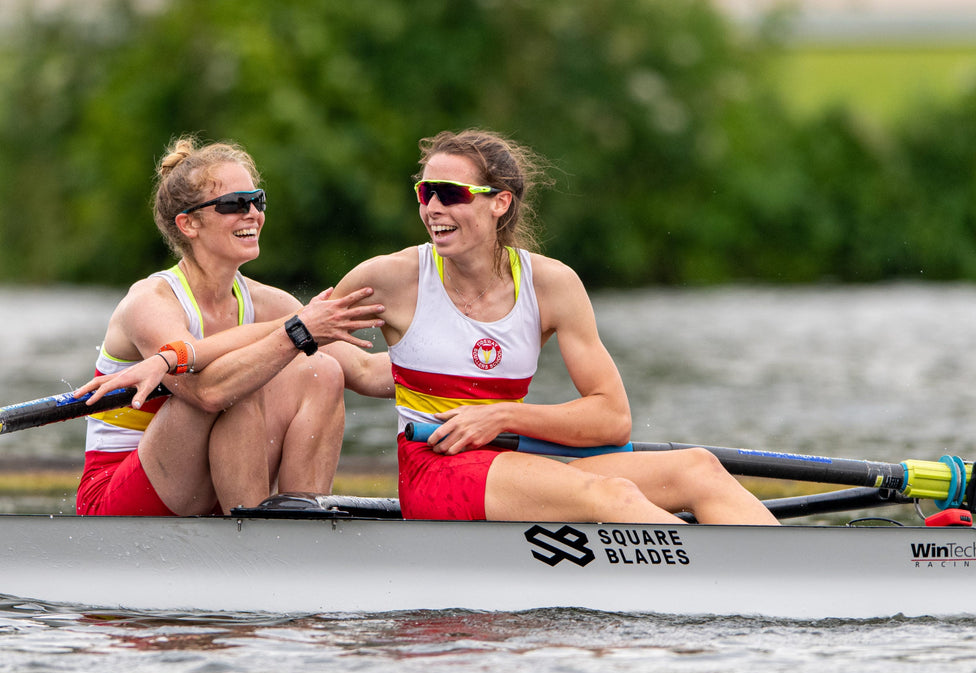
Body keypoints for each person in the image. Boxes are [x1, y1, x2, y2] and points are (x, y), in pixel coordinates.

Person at [330, 129, 779, 524]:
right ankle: (723, 581)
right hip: (436, 465)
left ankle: (800, 579)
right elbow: (306, 337)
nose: (432, 208)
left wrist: (503, 415)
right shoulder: (390, 278)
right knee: (615, 493)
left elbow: (613, 419)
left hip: (514, 458)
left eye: (451, 194)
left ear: (499, 203)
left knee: (697, 467)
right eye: (425, 193)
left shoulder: (552, 285)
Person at [73, 136, 392, 516]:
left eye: (257, 201)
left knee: (322, 371)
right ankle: (254, 541)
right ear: (188, 224)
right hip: (112, 497)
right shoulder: (151, 302)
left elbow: (366, 371)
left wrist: (474, 373)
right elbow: (208, 393)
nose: (252, 214)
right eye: (234, 205)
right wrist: (296, 331)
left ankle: (300, 527)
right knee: (237, 383)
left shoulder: (270, 303)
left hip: (192, 483)